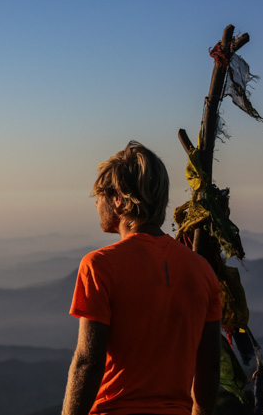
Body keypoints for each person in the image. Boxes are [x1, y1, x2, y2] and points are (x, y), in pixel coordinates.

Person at [61, 141, 221, 415]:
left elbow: (88, 361)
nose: (97, 202)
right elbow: (208, 369)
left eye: (100, 194)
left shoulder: (99, 266)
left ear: (119, 199)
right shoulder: (202, 270)